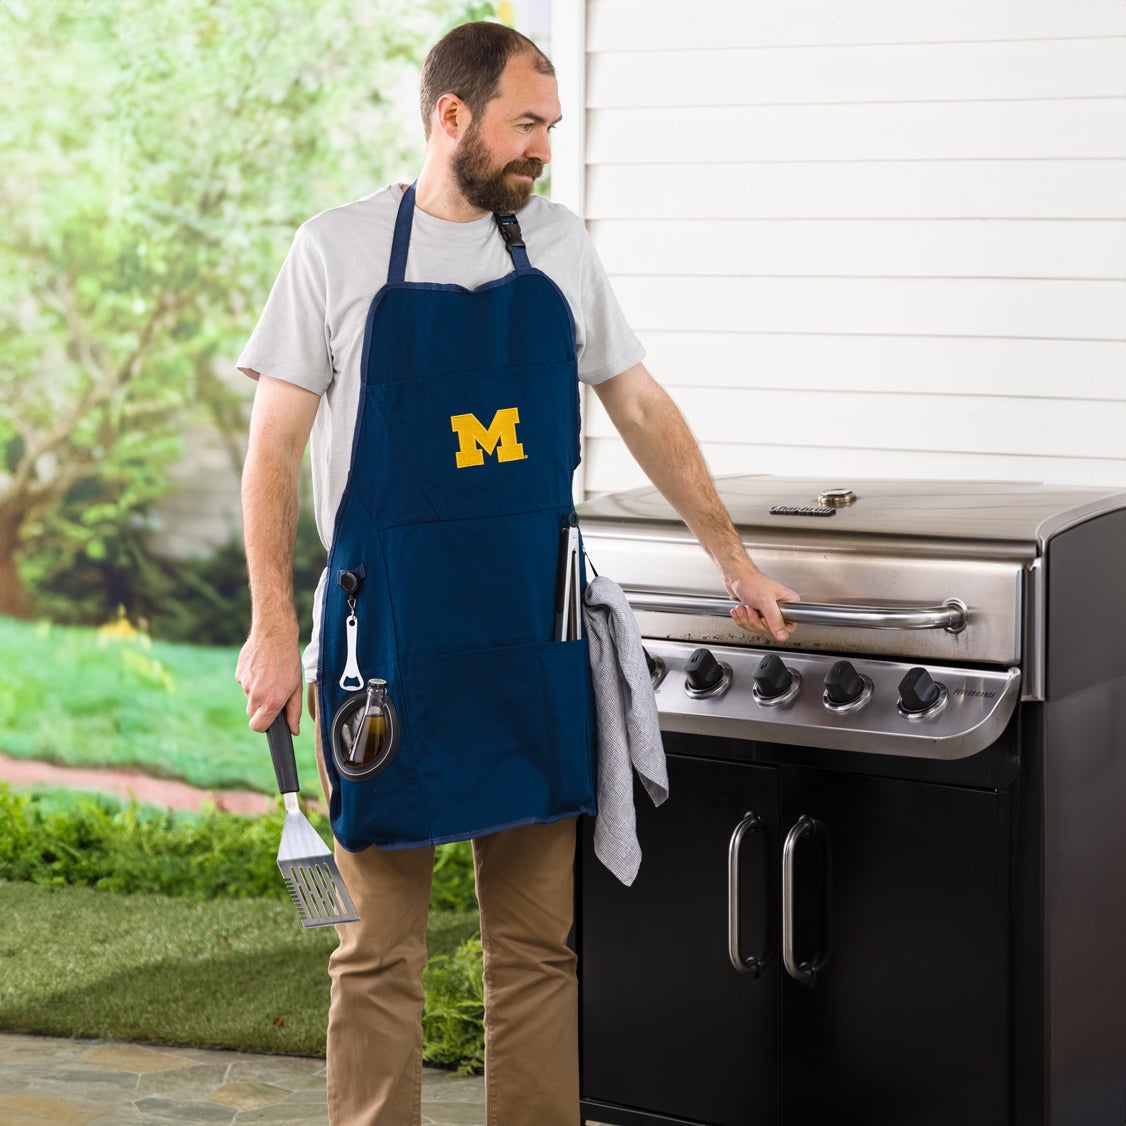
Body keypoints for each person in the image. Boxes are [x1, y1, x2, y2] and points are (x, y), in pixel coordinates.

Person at [235, 20, 798, 1126]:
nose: (542, 148)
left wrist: (731, 557)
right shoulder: (338, 250)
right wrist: (267, 622)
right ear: (451, 117)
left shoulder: (559, 247)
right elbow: (272, 448)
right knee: (376, 953)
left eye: (550, 125)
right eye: (524, 124)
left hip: (528, 649)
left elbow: (637, 404)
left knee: (537, 950)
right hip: (383, 654)